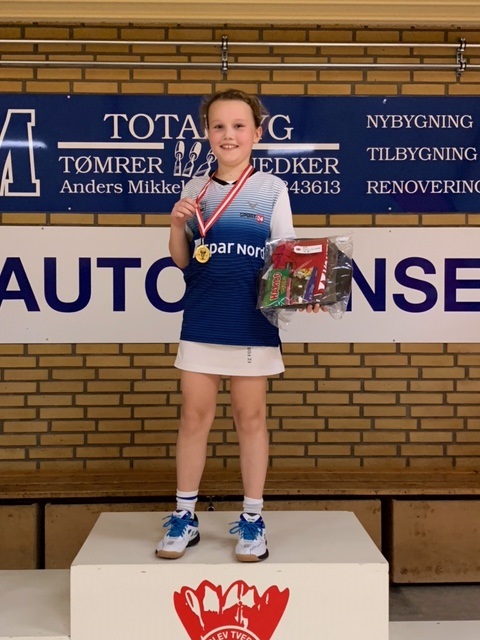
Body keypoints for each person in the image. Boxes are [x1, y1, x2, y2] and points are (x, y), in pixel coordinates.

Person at [155, 89, 319, 563]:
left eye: (239, 126)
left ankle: (252, 519)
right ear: (207, 133)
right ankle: (184, 516)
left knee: (250, 419)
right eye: (219, 126)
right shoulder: (195, 190)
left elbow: (286, 253)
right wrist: (175, 225)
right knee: (194, 418)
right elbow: (183, 260)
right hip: (203, 318)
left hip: (251, 321)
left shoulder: (272, 189)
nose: (229, 135)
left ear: (257, 134)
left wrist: (303, 292)